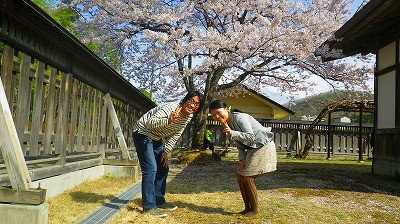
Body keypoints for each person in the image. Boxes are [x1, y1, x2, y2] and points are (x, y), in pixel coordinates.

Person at [133, 91, 203, 218]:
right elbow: (150, 123)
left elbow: (176, 134)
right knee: (150, 169)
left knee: (163, 166)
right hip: (143, 132)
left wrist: (165, 151)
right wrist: (169, 120)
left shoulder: (188, 117)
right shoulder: (169, 108)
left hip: (156, 137)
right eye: (191, 101)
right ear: (185, 100)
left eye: (197, 104)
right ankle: (149, 207)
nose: (193, 105)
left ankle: (159, 200)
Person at [208, 99, 277, 217]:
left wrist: (232, 133)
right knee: (241, 178)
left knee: (248, 178)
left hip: (263, 145)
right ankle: (247, 208)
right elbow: (239, 145)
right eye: (213, 115)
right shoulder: (228, 123)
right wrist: (242, 160)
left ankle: (254, 210)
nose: (217, 116)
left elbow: (250, 137)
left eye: (219, 112)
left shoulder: (240, 118)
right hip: (252, 148)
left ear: (227, 109)